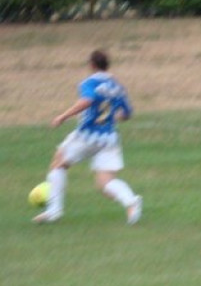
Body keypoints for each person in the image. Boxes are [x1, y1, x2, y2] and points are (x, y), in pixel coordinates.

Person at [34, 49, 142, 225]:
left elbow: (87, 100)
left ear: (92, 65)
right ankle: (132, 202)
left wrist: (63, 116)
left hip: (87, 136)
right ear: (107, 64)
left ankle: (54, 211)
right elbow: (127, 113)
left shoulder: (89, 83)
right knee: (105, 183)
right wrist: (112, 117)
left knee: (58, 164)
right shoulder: (117, 86)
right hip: (109, 139)